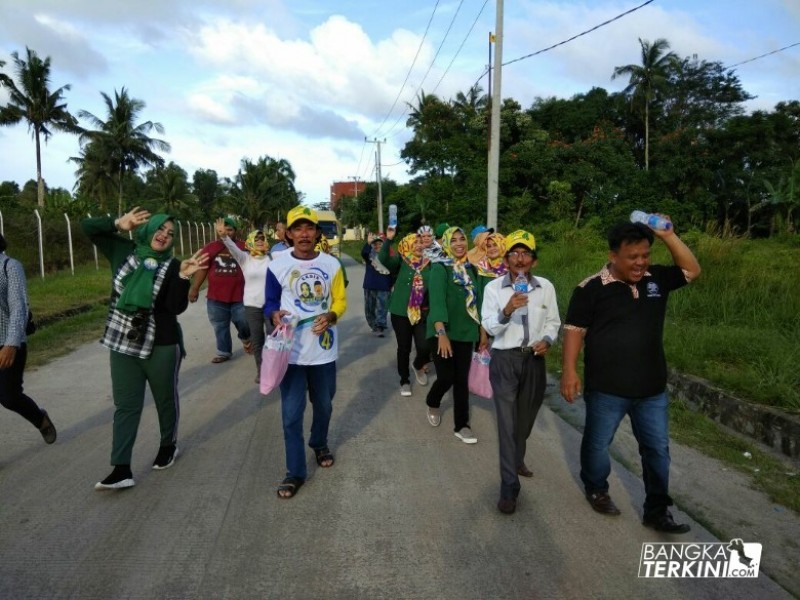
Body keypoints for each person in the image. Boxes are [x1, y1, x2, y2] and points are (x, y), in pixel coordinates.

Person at [561, 218, 701, 533]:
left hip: (651, 389)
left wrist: (668, 235)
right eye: (632, 257)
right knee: (598, 444)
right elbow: (574, 331)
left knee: (657, 450)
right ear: (613, 255)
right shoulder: (590, 289)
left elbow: (692, 270)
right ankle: (597, 488)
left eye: (645, 255)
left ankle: (657, 510)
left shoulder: (657, 279)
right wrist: (569, 371)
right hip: (607, 388)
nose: (640, 263)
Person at [81, 208, 208, 490]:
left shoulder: (174, 265)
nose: (164, 235)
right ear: (148, 229)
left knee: (165, 399)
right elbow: (87, 227)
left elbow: (176, 307)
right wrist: (116, 223)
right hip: (122, 342)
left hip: (161, 344)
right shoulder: (122, 250)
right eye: (160, 229)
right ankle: (121, 468)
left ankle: (168, 445)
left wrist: (185, 277)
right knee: (126, 405)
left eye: (171, 233)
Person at [264, 205, 347, 499]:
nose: (303, 234)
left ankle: (319, 441)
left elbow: (340, 300)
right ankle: (295, 472)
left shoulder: (332, 265)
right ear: (288, 234)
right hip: (292, 353)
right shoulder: (276, 264)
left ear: (317, 233)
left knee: (324, 405)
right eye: (297, 228)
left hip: (324, 351)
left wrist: (332, 316)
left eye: (309, 228)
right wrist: (274, 314)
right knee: (290, 415)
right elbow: (269, 302)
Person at [481, 230, 561, 514]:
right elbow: (489, 326)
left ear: (534, 261)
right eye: (514, 253)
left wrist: (548, 340)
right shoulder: (493, 289)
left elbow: (553, 321)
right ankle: (509, 488)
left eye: (525, 253)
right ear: (506, 260)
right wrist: (508, 308)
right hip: (504, 361)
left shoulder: (546, 288)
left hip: (534, 361)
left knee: (523, 424)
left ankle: (516, 459)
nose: (520, 258)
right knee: (506, 426)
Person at [425, 227, 487, 443]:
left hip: (466, 332)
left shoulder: (472, 269)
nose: (459, 243)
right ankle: (433, 401)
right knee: (446, 377)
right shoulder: (439, 268)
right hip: (442, 331)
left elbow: (477, 303)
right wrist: (441, 332)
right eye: (454, 240)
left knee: (461, 380)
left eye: (463, 239)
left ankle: (462, 425)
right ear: (446, 244)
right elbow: (437, 302)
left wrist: (482, 332)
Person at [0, 233, 57, 445]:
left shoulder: (9, 266)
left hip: (7, 342)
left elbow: (18, 307)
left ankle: (40, 419)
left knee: (9, 397)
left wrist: (11, 343)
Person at [188, 217, 251, 363]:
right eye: (223, 230)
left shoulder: (245, 246)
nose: (226, 233)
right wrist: (194, 288)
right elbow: (202, 269)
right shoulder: (210, 247)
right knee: (220, 326)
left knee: (243, 321)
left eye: (230, 230)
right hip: (216, 297)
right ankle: (224, 352)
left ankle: (246, 338)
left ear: (236, 231)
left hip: (241, 296)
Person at [216, 218, 271, 383]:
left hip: (271, 306)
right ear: (250, 242)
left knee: (274, 338)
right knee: (257, 340)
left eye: (262, 239)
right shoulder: (245, 258)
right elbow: (232, 248)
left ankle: (275, 367)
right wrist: (224, 236)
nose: (260, 241)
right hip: (252, 306)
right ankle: (261, 371)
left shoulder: (273, 258)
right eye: (257, 239)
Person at [379, 230, 432, 397]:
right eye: (414, 243)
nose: (418, 245)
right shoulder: (401, 261)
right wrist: (388, 239)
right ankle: (405, 380)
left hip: (422, 312)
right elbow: (383, 259)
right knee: (404, 347)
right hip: (400, 312)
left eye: (420, 242)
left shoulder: (430, 262)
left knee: (425, 346)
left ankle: (418, 365)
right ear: (407, 245)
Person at [361, 233, 392, 337]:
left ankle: (380, 326)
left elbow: (395, 269)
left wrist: (392, 284)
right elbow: (364, 252)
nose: (377, 246)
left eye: (380, 244)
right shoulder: (370, 256)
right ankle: (373, 325)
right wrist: (368, 243)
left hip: (384, 286)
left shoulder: (388, 257)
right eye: (375, 244)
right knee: (369, 308)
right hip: (369, 285)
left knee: (382, 308)